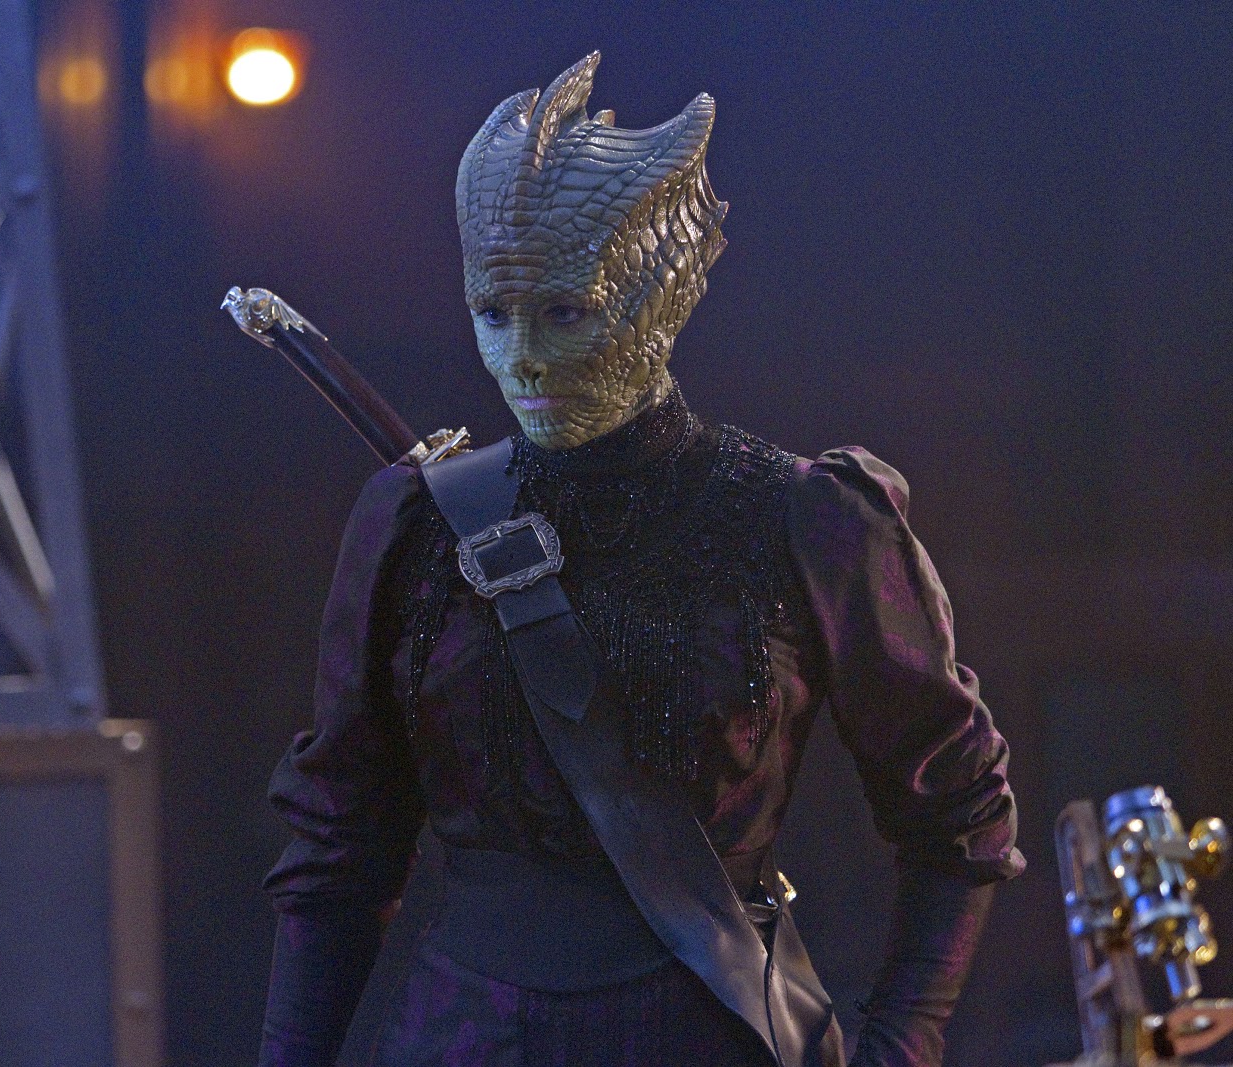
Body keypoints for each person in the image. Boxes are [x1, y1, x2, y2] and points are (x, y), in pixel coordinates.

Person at [257, 52, 1023, 1067]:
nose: (523, 357)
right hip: (459, 1041)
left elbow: (959, 814)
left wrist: (901, 1046)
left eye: (564, 310)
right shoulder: (414, 522)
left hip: (713, 1031)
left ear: (660, 295)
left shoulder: (804, 518)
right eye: (493, 312)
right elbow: (338, 850)